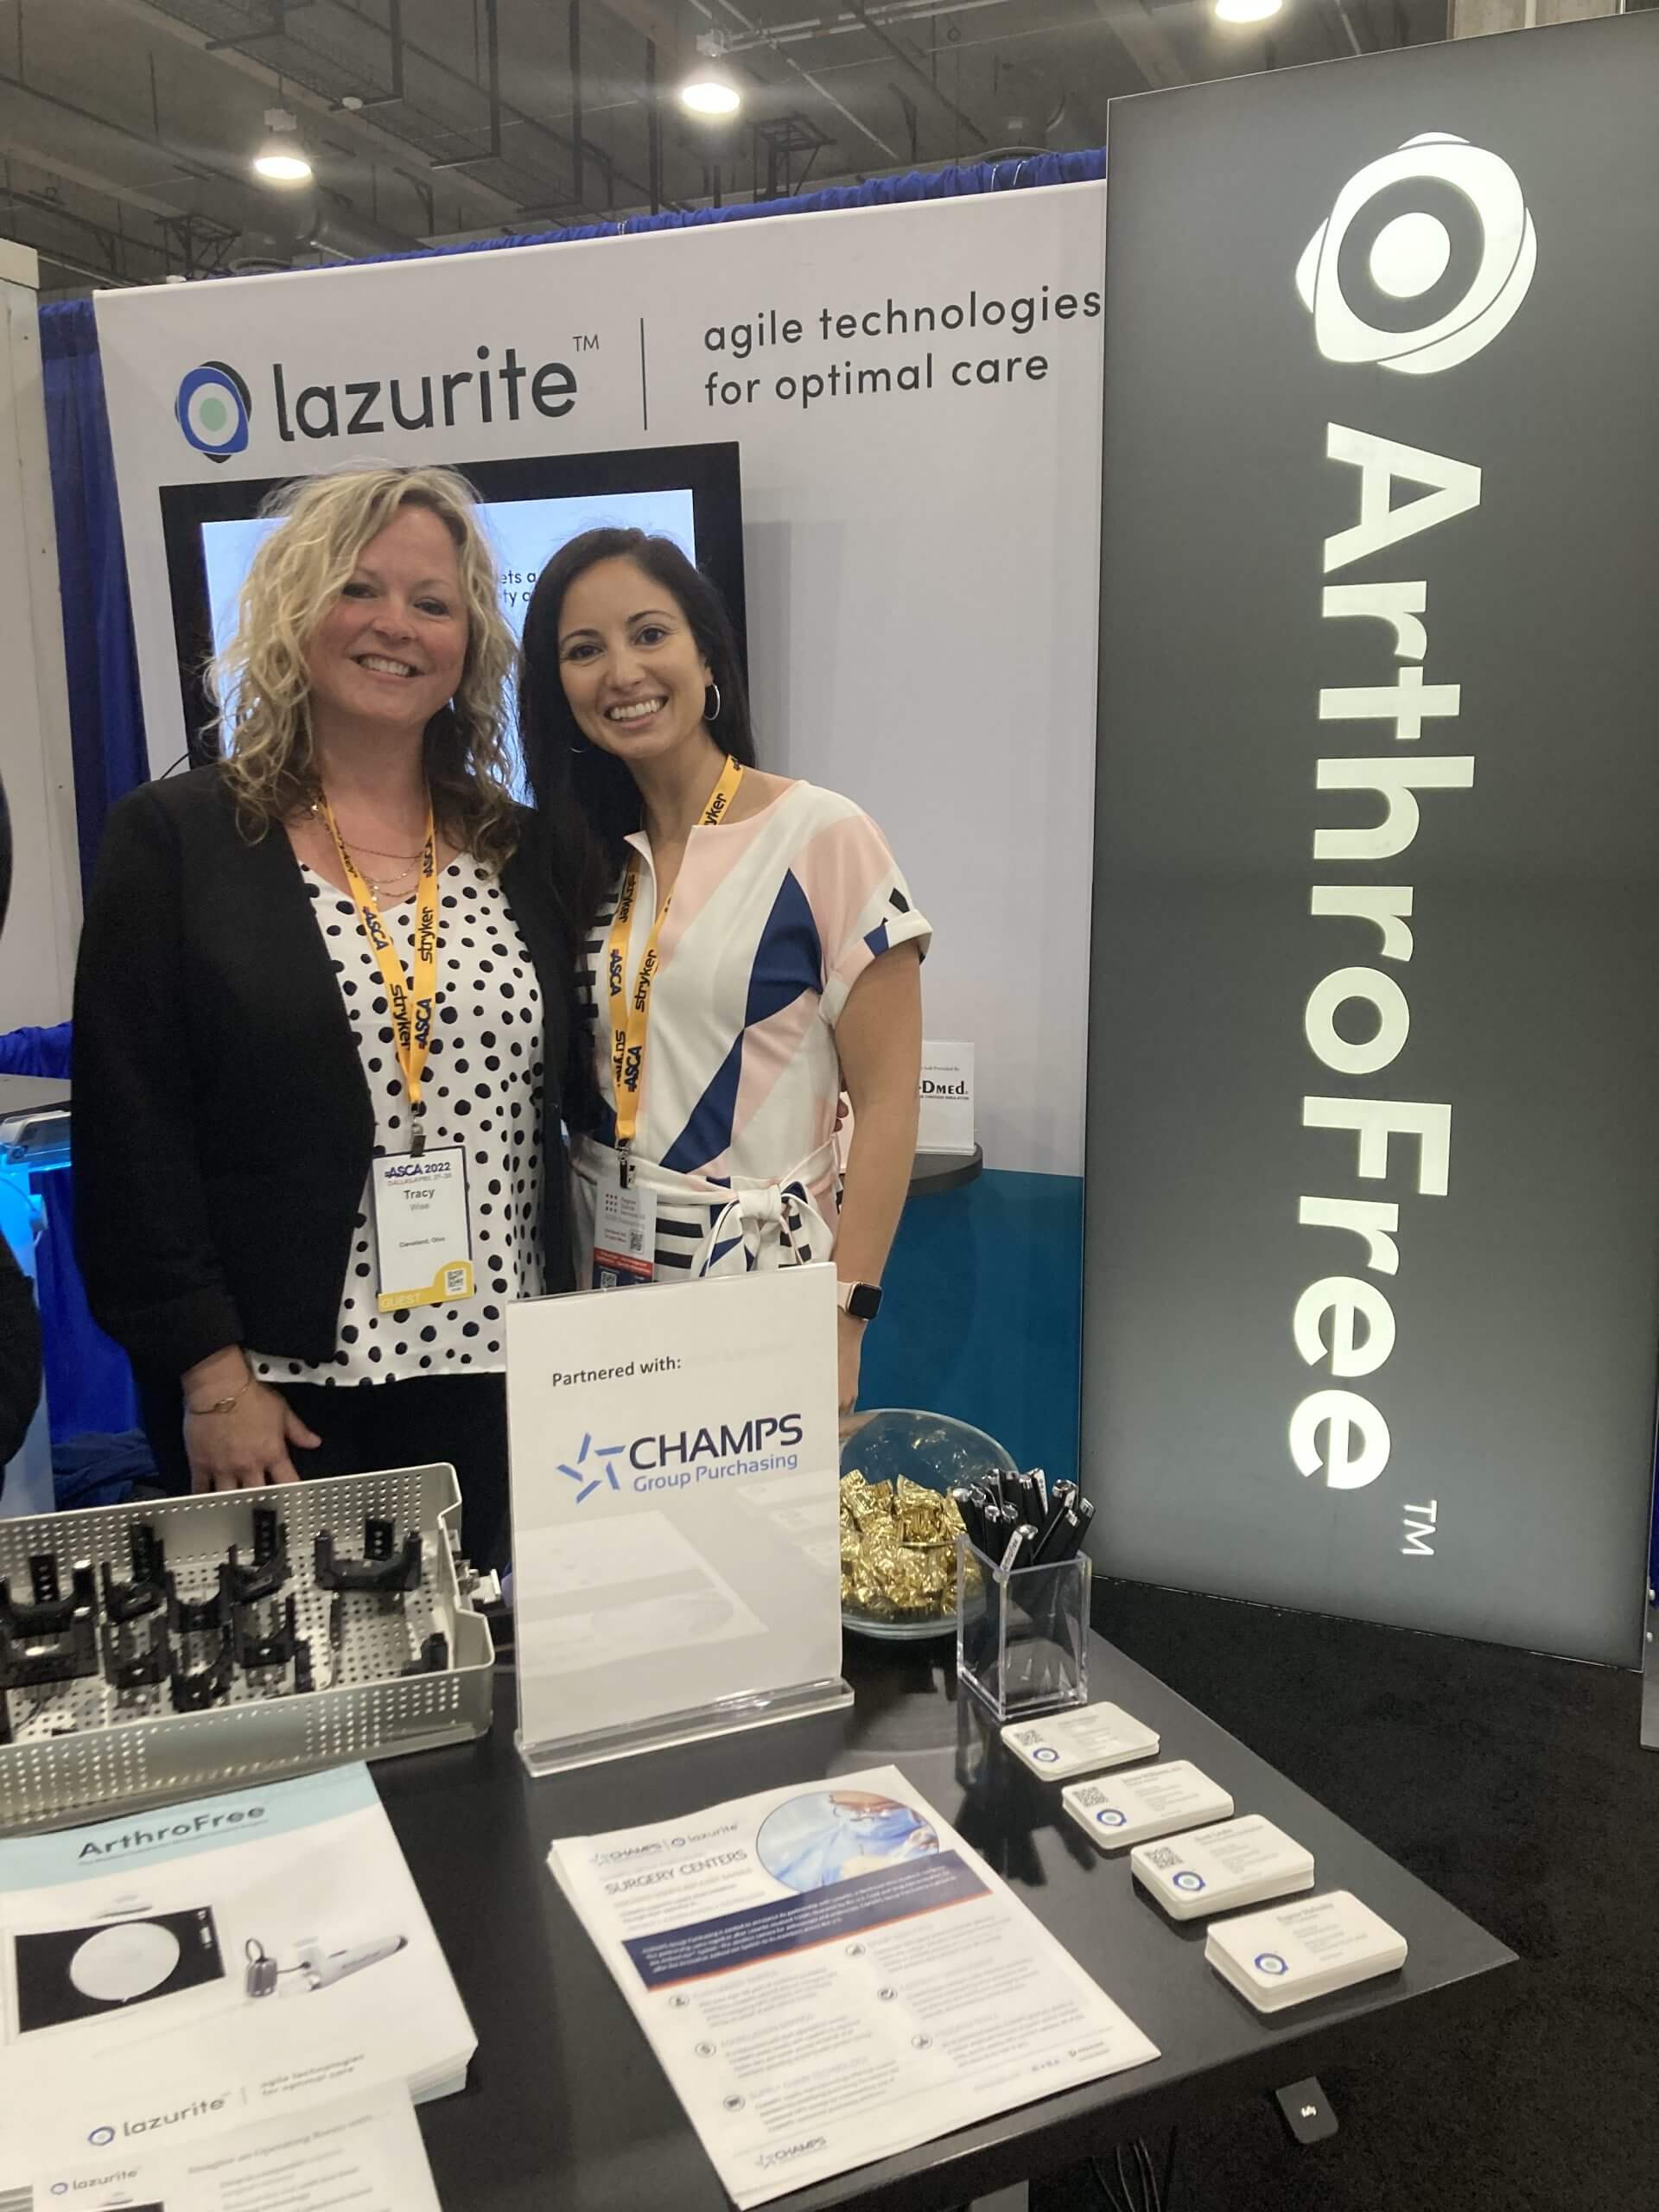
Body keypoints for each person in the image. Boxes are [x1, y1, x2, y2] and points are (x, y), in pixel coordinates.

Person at [73, 465, 585, 1567]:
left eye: (432, 603)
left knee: (482, 1658)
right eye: (359, 589)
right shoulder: (179, 838)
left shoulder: (520, 848)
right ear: (296, 612)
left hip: (495, 1368)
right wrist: (210, 1376)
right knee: (295, 1666)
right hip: (275, 1394)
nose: (395, 625)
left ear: (467, 645)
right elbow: (130, 1129)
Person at [519, 527, 928, 1415]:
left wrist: (846, 1317)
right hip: (597, 1280)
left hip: (759, 1282)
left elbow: (890, 1103)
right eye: (584, 650)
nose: (621, 671)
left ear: (707, 655)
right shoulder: (578, 860)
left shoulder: (824, 835)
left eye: (649, 633)